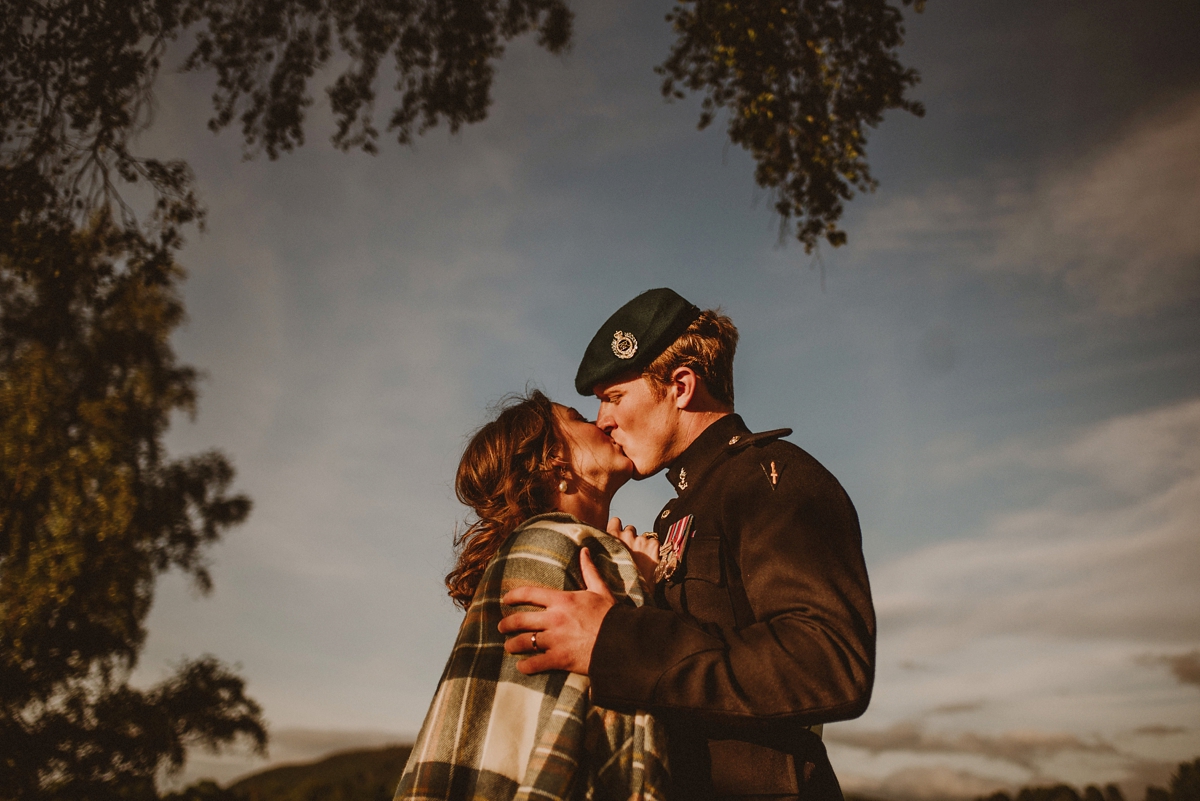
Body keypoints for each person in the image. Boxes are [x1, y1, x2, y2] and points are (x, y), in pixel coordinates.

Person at [498, 289, 875, 801]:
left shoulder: (772, 478)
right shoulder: (678, 511)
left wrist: (617, 641)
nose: (603, 420)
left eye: (613, 397)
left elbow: (829, 663)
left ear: (679, 386)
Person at [394, 390, 670, 801]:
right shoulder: (546, 545)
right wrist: (640, 587)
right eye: (579, 418)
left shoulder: (556, 550)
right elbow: (573, 716)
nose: (602, 422)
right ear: (555, 462)